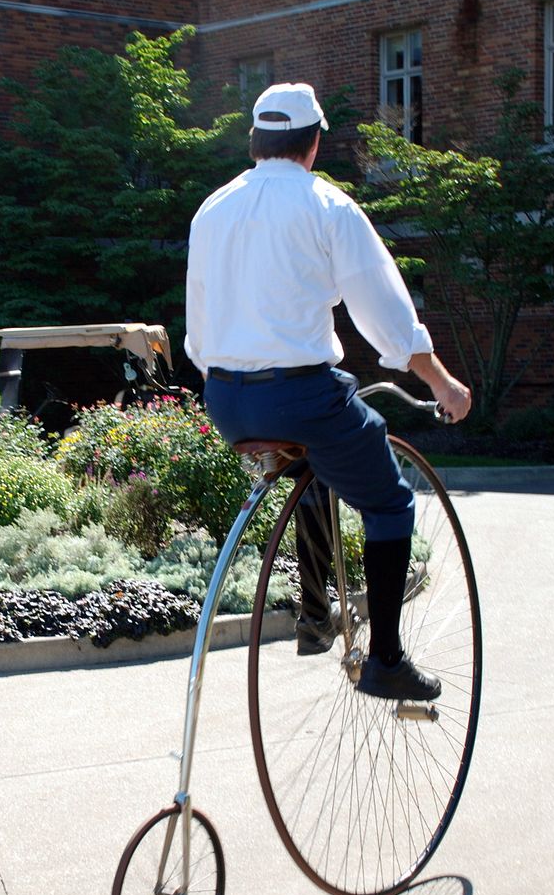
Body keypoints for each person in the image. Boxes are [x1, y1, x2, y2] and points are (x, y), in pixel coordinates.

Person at [184, 82, 472, 702]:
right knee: (388, 499)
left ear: (255, 142)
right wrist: (441, 383)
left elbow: (199, 329)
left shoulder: (213, 208)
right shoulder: (326, 206)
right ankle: (387, 660)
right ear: (314, 143)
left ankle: (315, 614)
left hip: (226, 401)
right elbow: (385, 313)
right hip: (299, 396)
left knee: (319, 458)